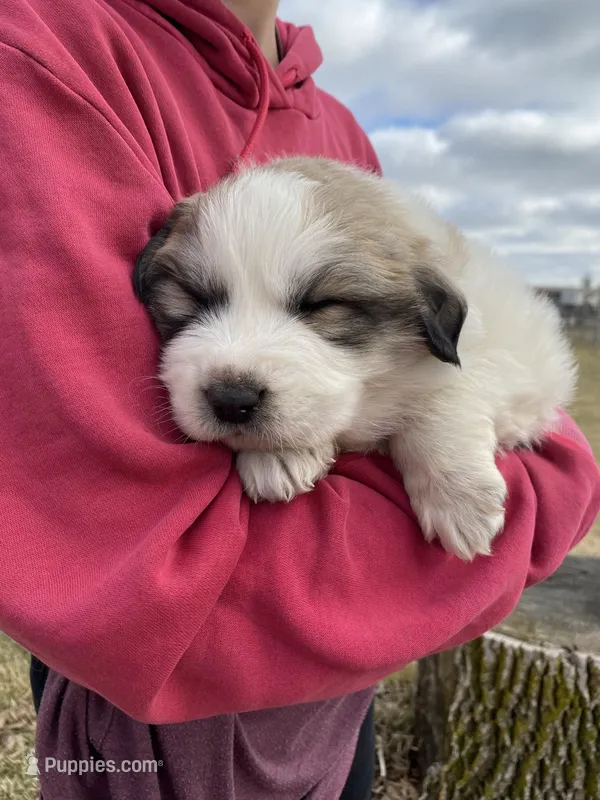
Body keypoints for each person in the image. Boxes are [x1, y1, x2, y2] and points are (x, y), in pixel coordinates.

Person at [0, 1, 598, 798]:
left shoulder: (344, 136)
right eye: (193, 306)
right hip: (134, 744)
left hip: (339, 714)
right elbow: (147, 589)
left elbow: (530, 410)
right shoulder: (40, 50)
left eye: (318, 312)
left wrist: (451, 430)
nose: (233, 367)